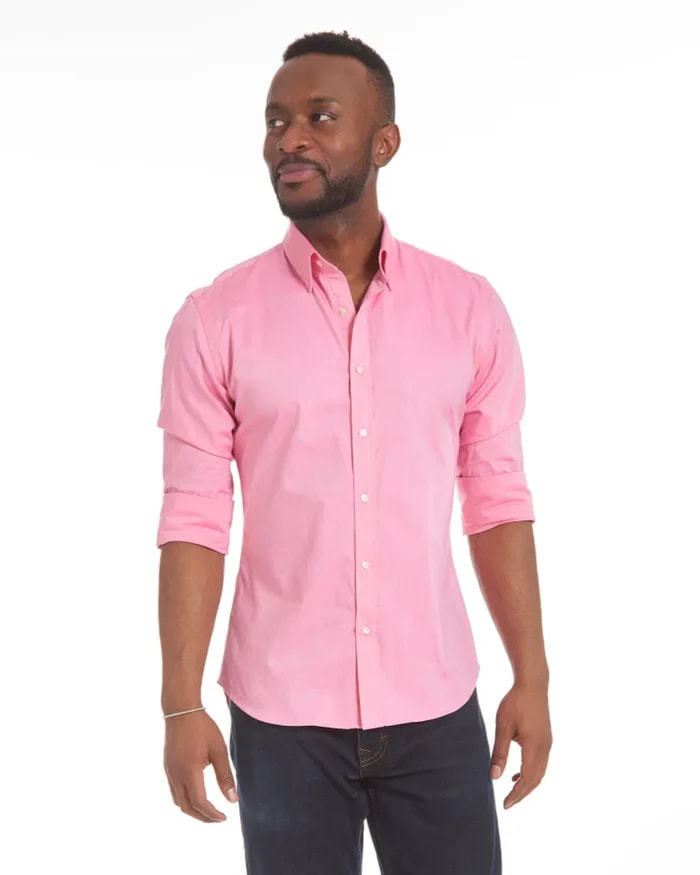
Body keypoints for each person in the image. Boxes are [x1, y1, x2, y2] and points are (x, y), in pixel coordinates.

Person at [156, 28, 552, 874]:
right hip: (281, 717)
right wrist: (179, 705)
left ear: (384, 143)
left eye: (320, 116)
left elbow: (497, 498)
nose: (289, 138)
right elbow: (193, 517)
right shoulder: (214, 320)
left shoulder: (468, 309)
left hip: (435, 703)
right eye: (276, 120)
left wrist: (533, 676)